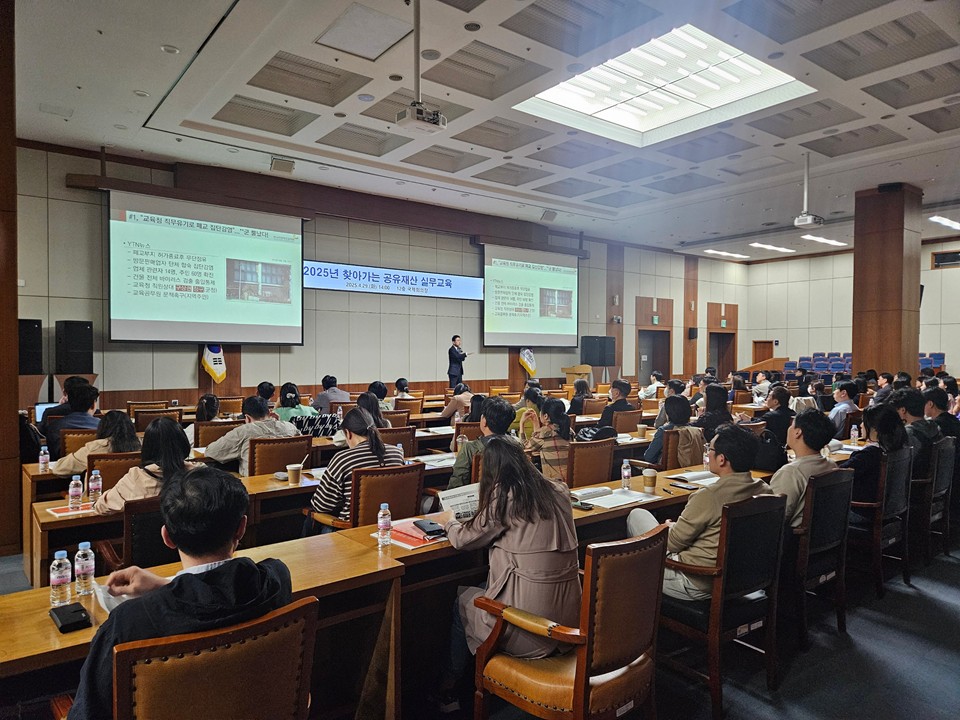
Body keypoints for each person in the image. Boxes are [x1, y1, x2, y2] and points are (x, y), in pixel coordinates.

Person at [68, 465, 292, 720]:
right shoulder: (276, 579)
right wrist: (167, 585)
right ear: (241, 527)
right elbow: (218, 598)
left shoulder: (128, 624)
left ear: (167, 537)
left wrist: (169, 586)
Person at [437, 437, 580, 712]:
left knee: (462, 600)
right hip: (567, 621)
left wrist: (449, 521)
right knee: (481, 586)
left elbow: (464, 540)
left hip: (528, 628)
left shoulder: (505, 496)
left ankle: (450, 688)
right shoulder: (557, 490)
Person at [627, 423, 773, 599]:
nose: (707, 453)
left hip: (698, 581)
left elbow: (672, 544)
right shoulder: (766, 490)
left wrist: (669, 527)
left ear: (721, 459)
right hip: (743, 576)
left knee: (636, 516)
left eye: (709, 449)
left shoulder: (709, 496)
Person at [309, 408, 404, 525]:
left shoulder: (342, 459)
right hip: (391, 525)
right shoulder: (397, 453)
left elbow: (321, 506)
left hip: (349, 530)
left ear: (348, 433)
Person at [95, 416, 195, 515]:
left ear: (147, 447)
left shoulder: (135, 478)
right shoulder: (198, 474)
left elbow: (102, 506)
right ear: (183, 444)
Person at [770, 408, 838, 527]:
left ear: (798, 432)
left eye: (792, 425)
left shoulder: (790, 472)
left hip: (794, 539)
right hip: (824, 534)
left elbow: (774, 519)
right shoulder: (832, 465)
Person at [204, 396, 298, 476]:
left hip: (254, 487)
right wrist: (279, 422)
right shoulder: (290, 427)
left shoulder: (243, 431)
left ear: (247, 418)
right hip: (291, 483)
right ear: (270, 413)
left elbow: (211, 452)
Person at [448, 396, 516, 489]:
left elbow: (457, 484)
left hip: (479, 499)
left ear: (484, 421)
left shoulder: (470, 448)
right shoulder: (517, 444)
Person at [55, 410, 141, 477]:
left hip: (98, 497)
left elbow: (59, 468)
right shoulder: (141, 445)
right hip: (131, 497)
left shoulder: (95, 447)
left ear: (103, 428)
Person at [888, 388, 943, 479]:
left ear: (902, 410)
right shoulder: (935, 427)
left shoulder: (908, 433)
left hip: (910, 485)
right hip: (929, 482)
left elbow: (896, 465)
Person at [47, 384, 101, 460]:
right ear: (93, 405)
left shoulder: (54, 426)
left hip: (63, 469)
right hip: (94, 469)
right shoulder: (102, 426)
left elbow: (52, 456)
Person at [523, 398, 570, 482]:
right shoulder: (569, 431)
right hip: (570, 480)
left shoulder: (544, 434)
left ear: (545, 416)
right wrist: (536, 424)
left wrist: (521, 425)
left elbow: (525, 448)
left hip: (554, 484)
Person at [644, 395, 691, 465]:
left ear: (668, 412)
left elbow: (649, 457)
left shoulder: (663, 430)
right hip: (686, 467)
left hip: (661, 471)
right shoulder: (695, 429)